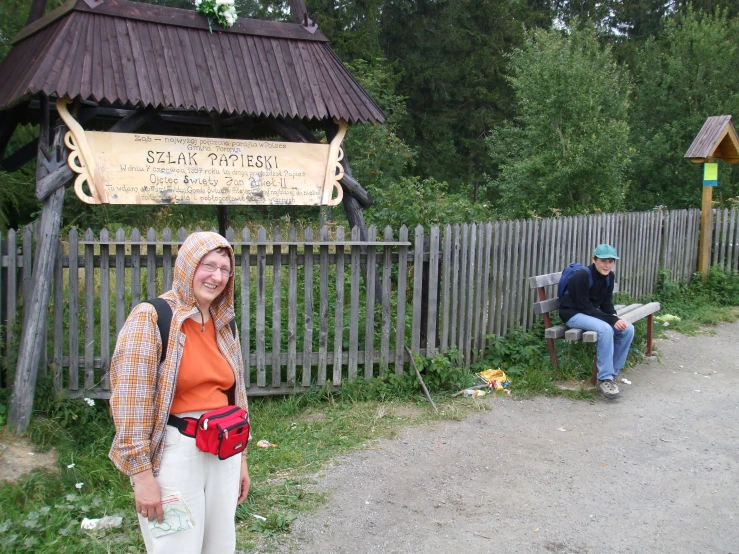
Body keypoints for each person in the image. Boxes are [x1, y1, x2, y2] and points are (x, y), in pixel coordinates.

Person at [109, 231, 250, 553]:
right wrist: (142, 476)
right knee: (176, 545)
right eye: (208, 265)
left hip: (223, 448)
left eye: (224, 269)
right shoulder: (153, 317)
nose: (217, 276)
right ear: (187, 265)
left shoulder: (223, 321)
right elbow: (131, 399)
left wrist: (241, 458)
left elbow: (235, 394)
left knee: (220, 545)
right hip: (175, 454)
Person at [558, 244, 635, 400]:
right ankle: (605, 379)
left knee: (628, 329)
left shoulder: (609, 277)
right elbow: (584, 307)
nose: (607, 265)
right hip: (573, 314)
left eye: (611, 261)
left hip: (590, 313)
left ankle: (612, 374)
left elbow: (606, 304)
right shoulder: (582, 276)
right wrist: (612, 320)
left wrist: (614, 316)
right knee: (605, 329)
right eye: (603, 261)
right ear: (594, 259)